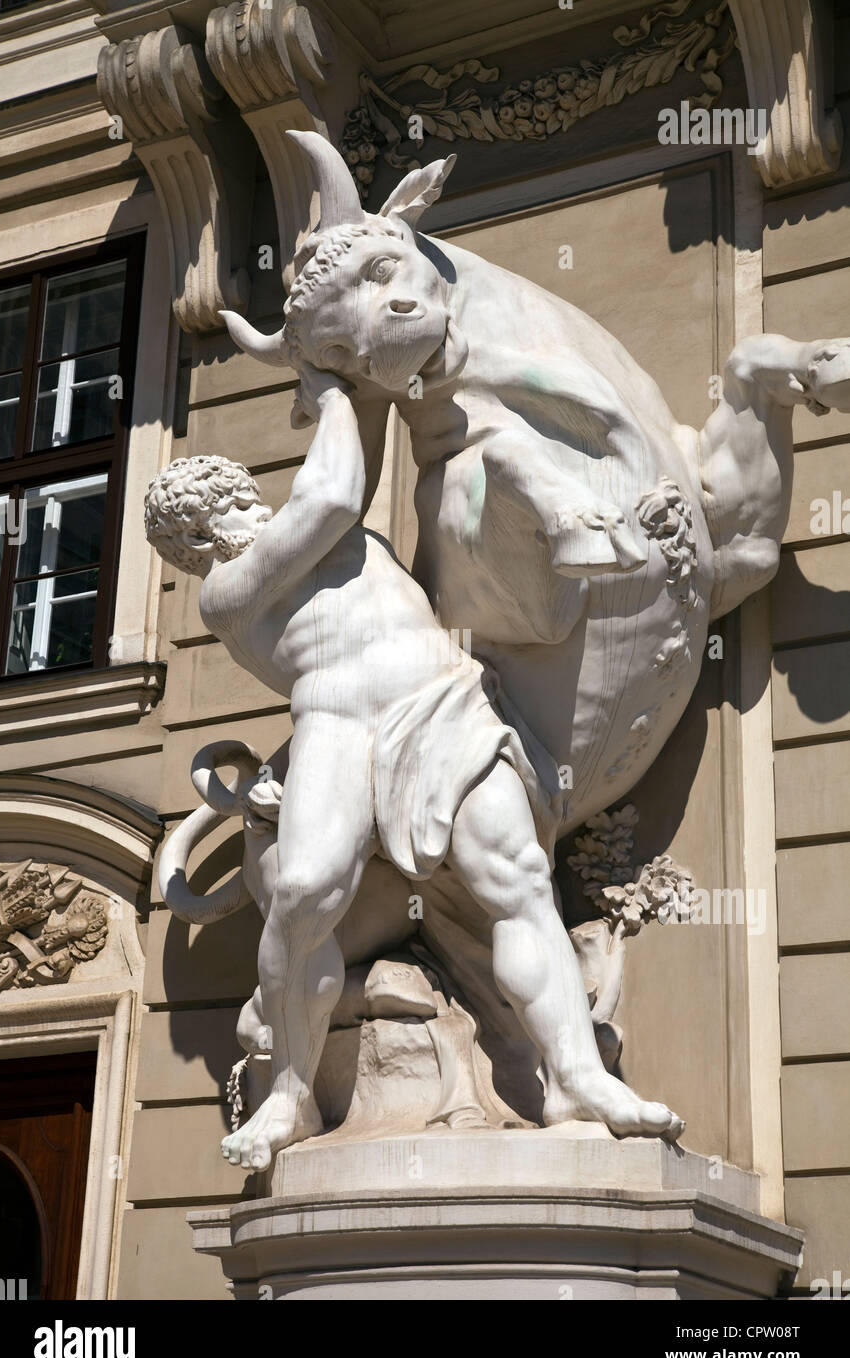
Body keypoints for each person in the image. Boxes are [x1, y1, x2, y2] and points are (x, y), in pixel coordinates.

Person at [144, 363, 683, 1171]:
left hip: (441, 699)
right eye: (205, 516)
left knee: (518, 879)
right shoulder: (227, 591)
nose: (232, 510)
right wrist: (326, 385)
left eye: (228, 493)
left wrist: (349, 369)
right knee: (300, 895)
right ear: (190, 547)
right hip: (336, 722)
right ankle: (290, 1094)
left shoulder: (317, 524)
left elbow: (343, 472)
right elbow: (331, 491)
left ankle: (577, 1080)